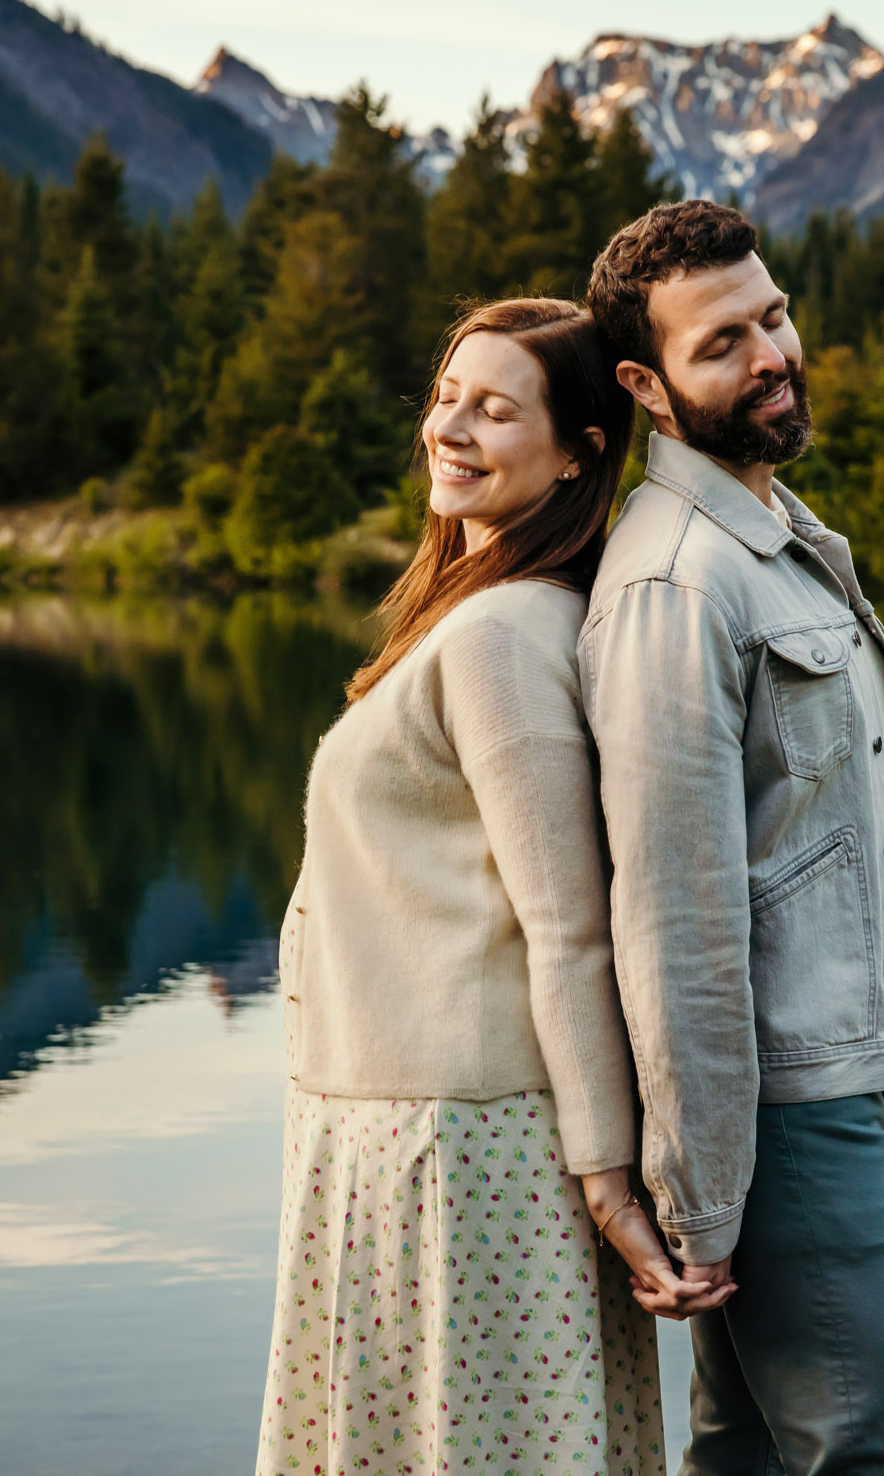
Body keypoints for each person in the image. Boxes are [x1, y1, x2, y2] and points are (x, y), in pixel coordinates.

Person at [258, 297, 723, 1476]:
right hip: (393, 1129)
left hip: (463, 1155)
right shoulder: (465, 616)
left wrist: (611, 1183)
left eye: (497, 408)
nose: (452, 427)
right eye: (448, 395)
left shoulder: (503, 636)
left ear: (579, 452)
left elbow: (568, 928)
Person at [580, 202, 884, 1475]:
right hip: (786, 1115)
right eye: (723, 342)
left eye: (777, 315)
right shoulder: (676, 581)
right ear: (644, 382)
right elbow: (675, 916)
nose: (772, 354)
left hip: (804, 1095)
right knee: (859, 1456)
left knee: (745, 1457)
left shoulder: (773, 542)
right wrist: (703, 1199)